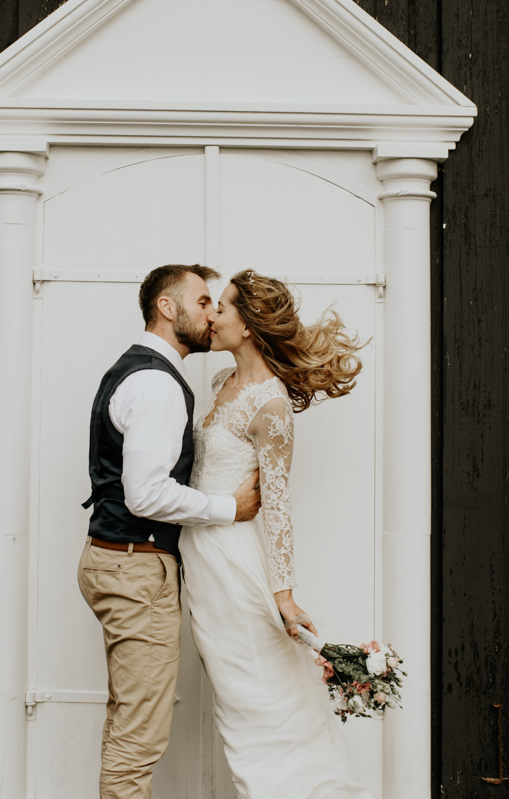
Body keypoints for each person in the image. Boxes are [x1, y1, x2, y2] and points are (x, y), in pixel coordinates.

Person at [180, 269, 372, 799]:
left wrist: (283, 595)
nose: (211, 317)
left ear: (248, 325)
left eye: (221, 307)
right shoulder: (221, 384)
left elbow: (278, 506)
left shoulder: (272, 404)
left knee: (254, 699)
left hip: (232, 562)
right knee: (234, 695)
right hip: (198, 557)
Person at [78, 264, 262, 799]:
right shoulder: (158, 383)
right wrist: (229, 507)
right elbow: (146, 494)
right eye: (203, 301)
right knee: (138, 743)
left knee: (125, 727)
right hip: (135, 569)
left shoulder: (132, 369)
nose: (212, 313)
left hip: (113, 560)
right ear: (166, 307)